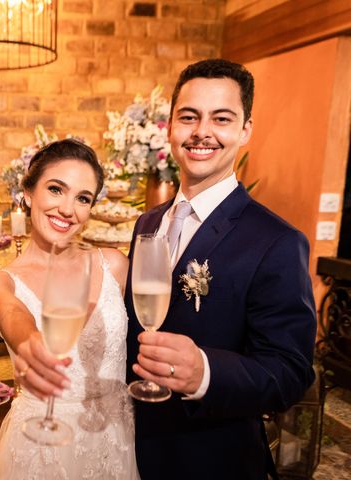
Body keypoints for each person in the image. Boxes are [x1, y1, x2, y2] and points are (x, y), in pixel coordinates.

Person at [125, 58, 317, 479]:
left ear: (246, 130)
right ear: (170, 126)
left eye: (222, 118)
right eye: (189, 117)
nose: (202, 132)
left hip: (212, 458)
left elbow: (290, 371)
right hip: (130, 449)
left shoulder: (277, 242)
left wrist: (205, 372)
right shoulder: (149, 223)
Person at [0, 139, 139, 479]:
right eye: (55, 189)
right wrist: (30, 341)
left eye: (82, 198)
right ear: (28, 193)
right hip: (41, 448)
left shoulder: (114, 265)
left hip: (116, 442)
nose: (68, 209)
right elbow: (10, 313)